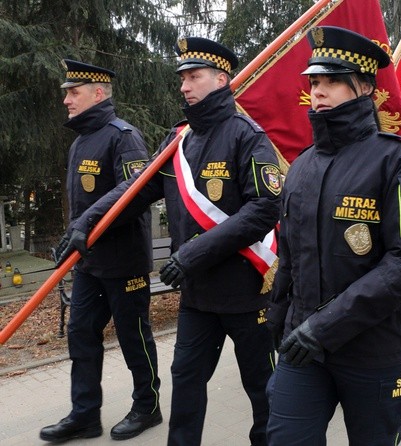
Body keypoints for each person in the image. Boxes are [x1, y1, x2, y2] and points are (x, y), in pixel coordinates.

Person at [55, 38, 282, 445]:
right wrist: (86, 224)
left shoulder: (247, 136)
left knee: (262, 387)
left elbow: (264, 209)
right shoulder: (179, 141)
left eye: (194, 77)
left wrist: (192, 254)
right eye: (182, 78)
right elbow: (135, 191)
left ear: (221, 79)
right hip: (196, 296)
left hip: (243, 291)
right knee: (187, 385)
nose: (184, 86)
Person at [264, 26, 401, 445]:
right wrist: (278, 320)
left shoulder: (395, 160)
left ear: (363, 88)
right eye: (314, 82)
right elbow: (290, 255)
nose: (318, 91)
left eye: (332, 81)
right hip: (303, 345)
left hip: (373, 350)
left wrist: (324, 326)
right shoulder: (301, 166)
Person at [40, 60, 161, 443]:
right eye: (66, 92)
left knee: (133, 337)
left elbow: (135, 191)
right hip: (90, 264)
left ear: (98, 93)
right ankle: (85, 415)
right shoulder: (80, 142)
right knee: (81, 336)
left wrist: (86, 224)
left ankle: (148, 407)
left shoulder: (123, 137)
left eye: (73, 92)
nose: (65, 100)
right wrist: (76, 230)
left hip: (124, 262)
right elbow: (81, 205)